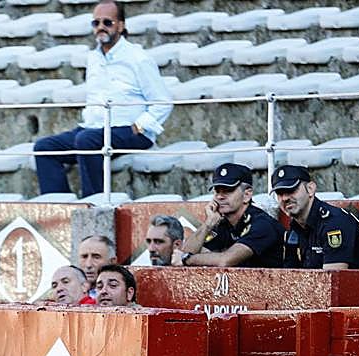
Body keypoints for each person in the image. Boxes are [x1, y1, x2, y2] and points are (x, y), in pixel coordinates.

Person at [32, 1, 172, 198]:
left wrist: (139, 126)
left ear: (121, 26)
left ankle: (94, 204)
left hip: (130, 132)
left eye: (107, 22)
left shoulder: (138, 58)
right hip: (94, 129)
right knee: (44, 148)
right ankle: (60, 206)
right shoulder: (93, 58)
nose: (100, 27)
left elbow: (163, 102)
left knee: (86, 141)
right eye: (95, 23)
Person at [271, 165, 359, 306]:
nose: (285, 198)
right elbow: (288, 281)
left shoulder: (335, 223)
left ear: (311, 189)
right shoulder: (293, 231)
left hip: (358, 311)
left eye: (291, 190)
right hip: (318, 307)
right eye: (280, 193)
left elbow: (332, 283)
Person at [174, 163, 284, 268]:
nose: (220, 197)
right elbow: (185, 252)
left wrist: (188, 259)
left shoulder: (262, 224)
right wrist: (208, 224)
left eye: (228, 191)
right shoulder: (224, 224)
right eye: (217, 191)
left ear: (247, 195)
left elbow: (225, 260)